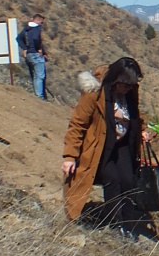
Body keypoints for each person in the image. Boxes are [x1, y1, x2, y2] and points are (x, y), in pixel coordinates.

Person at [61, 57, 152, 234]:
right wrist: (70, 156)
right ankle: (115, 223)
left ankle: (128, 223)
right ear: (115, 79)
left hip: (124, 144)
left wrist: (142, 130)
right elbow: (77, 125)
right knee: (113, 180)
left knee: (127, 181)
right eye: (124, 85)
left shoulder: (131, 92)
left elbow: (135, 116)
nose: (126, 89)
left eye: (130, 86)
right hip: (100, 146)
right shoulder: (94, 93)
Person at [18, 14, 48, 99]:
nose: (41, 24)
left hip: (29, 55)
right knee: (40, 76)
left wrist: (25, 48)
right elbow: (36, 39)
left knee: (35, 75)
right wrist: (39, 49)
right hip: (35, 54)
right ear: (37, 20)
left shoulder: (26, 29)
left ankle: (38, 94)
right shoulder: (37, 29)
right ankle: (40, 96)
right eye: (41, 22)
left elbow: (18, 38)